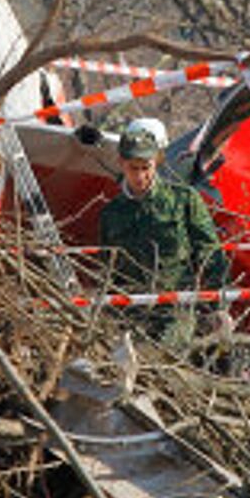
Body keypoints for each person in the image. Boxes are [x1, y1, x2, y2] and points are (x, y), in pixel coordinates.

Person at [96, 122, 226, 346]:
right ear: (121, 164)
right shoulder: (111, 214)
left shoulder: (183, 200)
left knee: (164, 354)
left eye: (146, 167)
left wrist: (217, 307)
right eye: (133, 168)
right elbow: (109, 268)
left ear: (156, 163)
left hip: (176, 311)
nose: (140, 176)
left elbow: (210, 254)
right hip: (131, 313)